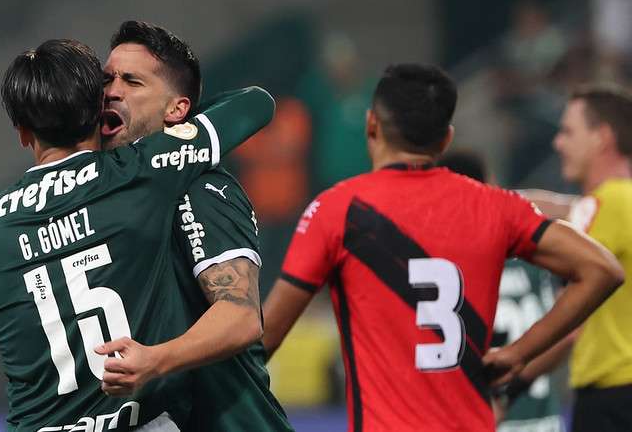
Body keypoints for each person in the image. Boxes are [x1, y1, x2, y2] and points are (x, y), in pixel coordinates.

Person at [0, 22, 292, 432]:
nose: (111, 91)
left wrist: (156, 359)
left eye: (132, 81)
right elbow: (64, 246)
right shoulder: (130, 180)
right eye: (105, 80)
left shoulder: (198, 186)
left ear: (177, 110)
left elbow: (239, 318)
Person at [262, 63, 624, 432]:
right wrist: (521, 353)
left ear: (372, 125)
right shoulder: (496, 206)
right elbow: (603, 269)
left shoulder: (337, 210)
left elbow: (268, 335)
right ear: (446, 139)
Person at [511, 85, 632, 432]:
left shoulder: (606, 204)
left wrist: (511, 380)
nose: (558, 143)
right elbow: (564, 206)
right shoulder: (620, 201)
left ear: (601, 137)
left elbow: (568, 328)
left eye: (568, 131)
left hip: (613, 398)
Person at [438, 150, 565, 432]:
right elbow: (569, 334)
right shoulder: (536, 254)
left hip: (478, 419)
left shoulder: (445, 266)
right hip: (541, 420)